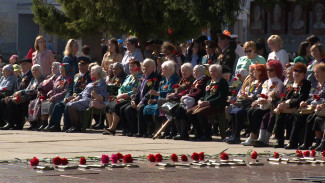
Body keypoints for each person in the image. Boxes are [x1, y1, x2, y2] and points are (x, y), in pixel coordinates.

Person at [242, 60, 284, 146]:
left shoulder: (278, 82)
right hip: (262, 105)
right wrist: (257, 101)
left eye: (271, 70)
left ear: (277, 70)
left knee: (257, 113)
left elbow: (274, 97)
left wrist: (266, 101)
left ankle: (257, 137)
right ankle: (253, 135)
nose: (268, 71)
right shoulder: (266, 82)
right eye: (267, 69)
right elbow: (262, 95)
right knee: (250, 111)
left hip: (270, 106)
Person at [48, 57, 92, 132]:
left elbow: (87, 90)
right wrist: (67, 97)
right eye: (79, 66)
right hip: (72, 96)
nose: (80, 67)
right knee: (58, 105)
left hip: (82, 97)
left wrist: (74, 97)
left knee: (68, 105)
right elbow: (70, 88)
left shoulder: (89, 76)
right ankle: (55, 125)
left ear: (87, 66)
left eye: (83, 65)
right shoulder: (76, 76)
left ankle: (67, 126)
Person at [187, 64, 229, 141]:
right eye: (210, 71)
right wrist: (200, 100)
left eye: (214, 71)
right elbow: (205, 94)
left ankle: (207, 134)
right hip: (205, 103)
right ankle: (199, 133)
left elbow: (221, 97)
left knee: (201, 113)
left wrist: (208, 103)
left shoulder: (222, 82)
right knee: (189, 112)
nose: (212, 73)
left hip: (216, 105)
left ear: (219, 72)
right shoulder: (209, 82)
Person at [227, 64, 267, 144]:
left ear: (259, 72)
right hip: (247, 102)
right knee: (234, 111)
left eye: (253, 71)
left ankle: (238, 135)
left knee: (239, 112)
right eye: (250, 71)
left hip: (253, 104)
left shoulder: (263, 82)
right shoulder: (253, 81)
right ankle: (234, 134)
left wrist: (249, 96)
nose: (252, 73)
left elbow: (259, 94)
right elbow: (250, 92)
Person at [273, 63, 311, 148]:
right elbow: (284, 96)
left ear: (304, 74)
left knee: (297, 116)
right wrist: (280, 105)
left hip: (299, 107)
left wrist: (289, 104)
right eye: (295, 71)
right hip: (288, 108)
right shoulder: (290, 84)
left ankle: (293, 142)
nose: (296, 73)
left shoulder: (306, 84)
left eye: (300, 72)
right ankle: (280, 141)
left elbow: (302, 98)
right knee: (279, 114)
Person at [103, 60, 142, 135]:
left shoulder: (139, 78)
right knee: (108, 105)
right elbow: (121, 88)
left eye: (133, 66)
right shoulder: (128, 77)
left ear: (138, 67)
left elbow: (136, 91)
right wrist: (120, 94)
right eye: (130, 66)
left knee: (117, 106)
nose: (131, 68)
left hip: (130, 98)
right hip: (122, 97)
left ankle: (113, 128)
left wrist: (125, 95)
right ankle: (110, 126)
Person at [142, 61, 180, 138]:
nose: (162, 70)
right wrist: (154, 100)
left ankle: (164, 131)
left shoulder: (174, 78)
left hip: (169, 101)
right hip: (160, 101)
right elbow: (159, 91)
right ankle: (150, 130)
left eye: (164, 69)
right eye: (162, 68)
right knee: (146, 108)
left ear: (170, 70)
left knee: (157, 109)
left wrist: (157, 94)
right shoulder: (163, 79)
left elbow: (170, 91)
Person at [124, 59, 161, 137]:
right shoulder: (142, 77)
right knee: (128, 109)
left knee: (141, 108)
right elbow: (138, 92)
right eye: (144, 66)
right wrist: (133, 100)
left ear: (153, 67)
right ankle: (133, 130)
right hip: (140, 100)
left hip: (148, 101)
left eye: (148, 66)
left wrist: (142, 102)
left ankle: (142, 131)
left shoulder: (155, 78)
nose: (145, 68)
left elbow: (150, 92)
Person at [66, 65, 107, 133]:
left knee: (71, 106)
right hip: (83, 98)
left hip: (89, 100)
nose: (91, 73)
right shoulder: (91, 82)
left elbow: (104, 95)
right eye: (91, 72)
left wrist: (96, 95)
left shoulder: (101, 82)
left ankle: (77, 126)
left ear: (97, 73)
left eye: (93, 72)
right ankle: (74, 125)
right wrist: (77, 97)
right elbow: (83, 92)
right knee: (69, 104)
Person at [2, 64, 45, 130]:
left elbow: (36, 90)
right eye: (33, 70)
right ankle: (11, 123)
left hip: (35, 98)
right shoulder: (33, 79)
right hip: (28, 97)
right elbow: (27, 88)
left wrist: (22, 92)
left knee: (22, 104)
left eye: (36, 70)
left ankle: (24, 124)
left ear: (40, 71)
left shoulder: (42, 79)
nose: (34, 72)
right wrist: (14, 95)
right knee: (11, 102)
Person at [294, 63, 325, 150]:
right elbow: (311, 97)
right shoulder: (315, 85)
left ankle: (315, 142)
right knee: (299, 115)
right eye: (315, 72)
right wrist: (305, 102)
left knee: (311, 118)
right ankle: (298, 141)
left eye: (318, 72)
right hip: (313, 108)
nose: (316, 75)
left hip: (321, 109)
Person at [174, 65, 210, 140]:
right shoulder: (196, 80)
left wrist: (188, 95)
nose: (194, 73)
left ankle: (189, 133)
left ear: (202, 72)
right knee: (178, 110)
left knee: (184, 111)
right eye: (194, 71)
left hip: (197, 100)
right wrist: (183, 95)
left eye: (197, 71)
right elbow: (191, 91)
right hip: (191, 100)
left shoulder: (203, 80)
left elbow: (199, 93)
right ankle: (182, 133)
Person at [37, 63, 71, 131]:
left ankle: (54, 124)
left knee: (55, 104)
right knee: (45, 103)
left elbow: (65, 91)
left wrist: (54, 97)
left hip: (61, 98)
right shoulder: (59, 78)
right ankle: (45, 123)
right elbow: (54, 88)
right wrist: (50, 94)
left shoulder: (68, 79)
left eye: (63, 71)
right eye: (60, 70)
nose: (61, 72)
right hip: (55, 97)